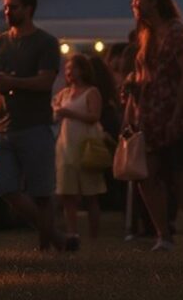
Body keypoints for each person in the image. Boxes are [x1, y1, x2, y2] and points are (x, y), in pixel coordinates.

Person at [0, 0, 62, 250]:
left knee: (41, 193)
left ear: (28, 9)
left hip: (34, 124)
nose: (7, 11)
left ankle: (47, 246)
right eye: (5, 6)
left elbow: (45, 81)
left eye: (13, 7)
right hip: (2, 126)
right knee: (5, 188)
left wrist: (13, 81)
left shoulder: (46, 42)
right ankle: (57, 237)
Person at [129, 0, 183, 250]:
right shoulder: (145, 35)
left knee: (179, 173)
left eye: (139, 0)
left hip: (175, 114)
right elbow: (144, 75)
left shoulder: (176, 33)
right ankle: (163, 234)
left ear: (155, 1)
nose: (134, 6)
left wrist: (176, 115)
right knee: (146, 175)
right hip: (150, 114)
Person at [52, 51, 109, 252]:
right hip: (66, 145)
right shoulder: (64, 94)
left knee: (90, 194)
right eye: (67, 69)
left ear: (82, 70)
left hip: (85, 144)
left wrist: (69, 113)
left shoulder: (91, 92)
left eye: (72, 68)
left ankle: (94, 236)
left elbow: (94, 116)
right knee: (68, 194)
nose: (69, 72)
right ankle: (72, 233)